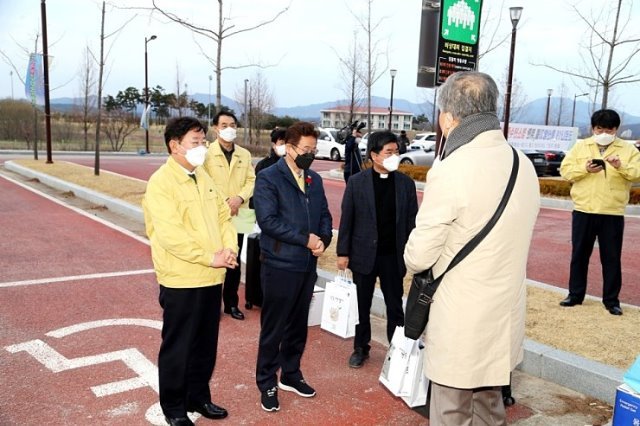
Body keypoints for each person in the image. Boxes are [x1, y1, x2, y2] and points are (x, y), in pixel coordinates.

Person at [403, 71, 540, 425]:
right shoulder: (523, 164)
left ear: (448, 118)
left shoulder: (453, 168)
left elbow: (419, 255)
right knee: (489, 405)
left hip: (461, 315)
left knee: (451, 408)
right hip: (504, 312)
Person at [142, 117, 239, 426]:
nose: (203, 147)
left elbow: (224, 217)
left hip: (212, 276)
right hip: (182, 279)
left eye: (203, 141)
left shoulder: (203, 176)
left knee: (205, 344)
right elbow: (171, 236)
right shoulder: (161, 183)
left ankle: (198, 396)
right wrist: (209, 257)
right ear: (175, 146)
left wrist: (229, 248)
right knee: (179, 346)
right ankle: (173, 407)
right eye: (196, 142)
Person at [253, 121, 333, 413]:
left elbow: (324, 214)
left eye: (314, 149)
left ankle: (290, 373)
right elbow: (267, 220)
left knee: (299, 325)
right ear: (289, 148)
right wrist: (305, 239)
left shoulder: (314, 179)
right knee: (274, 327)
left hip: (307, 264)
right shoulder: (268, 178)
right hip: (279, 263)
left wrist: (323, 240)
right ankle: (267, 381)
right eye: (306, 149)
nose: (311, 154)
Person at [336, 130, 418, 368]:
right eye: (388, 152)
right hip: (363, 255)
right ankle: (361, 347)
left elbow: (411, 222)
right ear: (374, 155)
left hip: (393, 256)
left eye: (396, 152)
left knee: (395, 306)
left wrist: (411, 253)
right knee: (361, 305)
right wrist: (343, 253)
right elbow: (347, 219)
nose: (394, 156)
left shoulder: (405, 184)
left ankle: (397, 349)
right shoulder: (357, 183)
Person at [559, 109, 640, 316]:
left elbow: (637, 174)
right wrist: (585, 169)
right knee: (579, 255)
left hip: (611, 211)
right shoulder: (581, 146)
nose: (604, 133)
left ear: (616, 129)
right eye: (600, 129)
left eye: (609, 130)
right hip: (583, 209)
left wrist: (620, 166)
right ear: (592, 128)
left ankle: (611, 300)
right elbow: (565, 171)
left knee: (611, 257)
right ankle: (575, 295)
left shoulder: (628, 150)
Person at [203, 111, 256, 321]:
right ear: (215, 128)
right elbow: (205, 182)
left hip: (240, 213)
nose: (229, 129)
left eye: (232, 125)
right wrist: (225, 202)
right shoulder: (206, 154)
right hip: (216, 214)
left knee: (234, 260)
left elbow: (251, 180)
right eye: (224, 125)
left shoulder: (244, 154)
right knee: (216, 259)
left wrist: (239, 199)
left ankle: (231, 303)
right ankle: (212, 304)